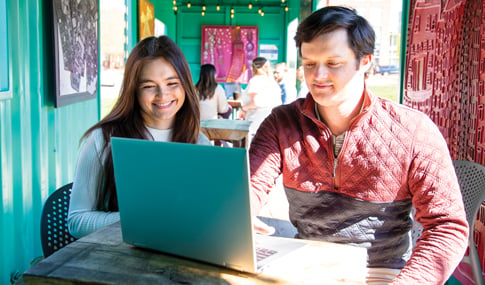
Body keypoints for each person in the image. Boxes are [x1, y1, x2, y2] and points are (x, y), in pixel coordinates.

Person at [249, 6, 468, 284]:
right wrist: (241, 211)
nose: (318, 76)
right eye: (309, 64)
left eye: (333, 63)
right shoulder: (282, 123)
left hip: (383, 273)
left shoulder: (413, 130)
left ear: (365, 61)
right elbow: (252, 185)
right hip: (303, 267)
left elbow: (446, 226)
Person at [68, 36, 211, 238]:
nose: (163, 95)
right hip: (116, 260)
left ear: (186, 85)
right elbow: (76, 222)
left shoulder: (200, 143)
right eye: (149, 86)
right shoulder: (103, 140)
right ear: (133, 90)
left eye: (172, 83)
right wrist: (143, 218)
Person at [239, 57, 281, 139]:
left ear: (254, 67)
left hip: (256, 123)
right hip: (271, 123)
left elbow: (256, 102)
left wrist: (243, 109)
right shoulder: (272, 82)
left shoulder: (255, 81)